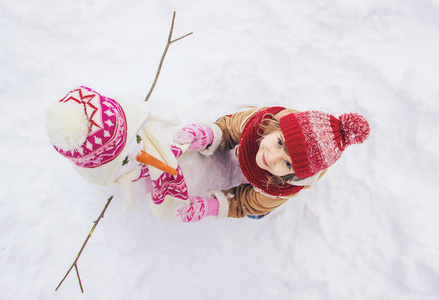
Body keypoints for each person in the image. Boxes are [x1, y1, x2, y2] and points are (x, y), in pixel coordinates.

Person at [173, 106, 370, 222]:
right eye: (279, 143)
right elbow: (232, 127)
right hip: (255, 135)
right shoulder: (259, 122)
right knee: (232, 122)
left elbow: (246, 202)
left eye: (287, 164)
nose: (272, 157)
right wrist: (210, 135)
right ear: (275, 127)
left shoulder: (282, 187)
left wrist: (213, 206)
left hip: (268, 187)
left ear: (295, 175)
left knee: (256, 210)